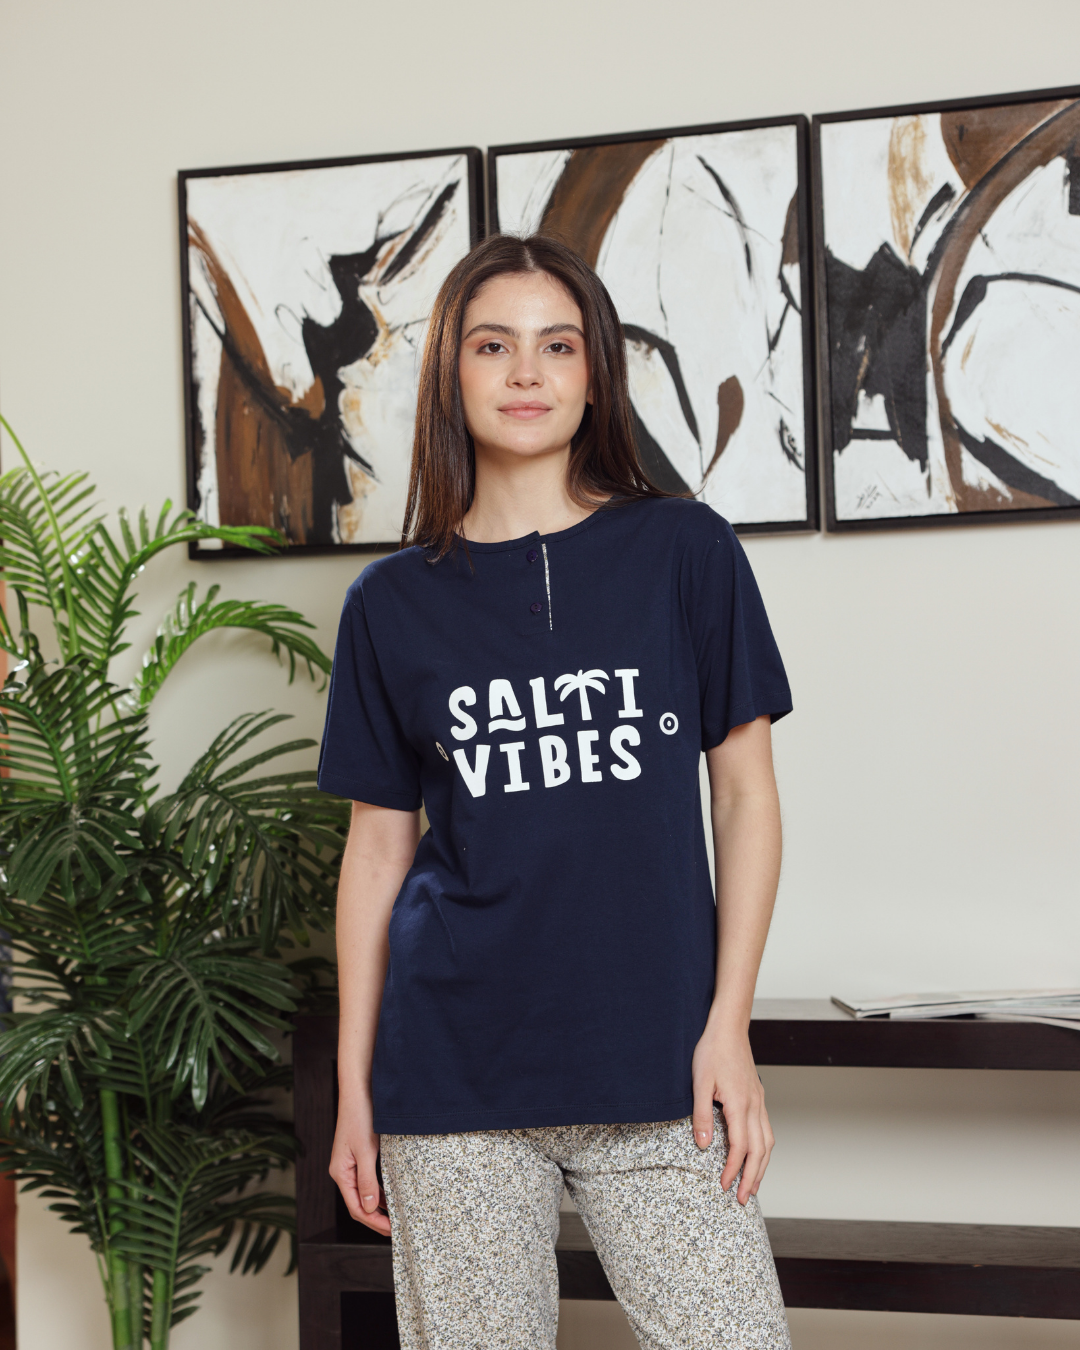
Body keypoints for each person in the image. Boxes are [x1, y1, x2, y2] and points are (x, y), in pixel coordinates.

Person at [318, 232, 793, 1350]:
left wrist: (729, 1028)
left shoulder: (686, 551)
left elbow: (745, 799)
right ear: (451, 372)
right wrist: (355, 1085)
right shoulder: (390, 602)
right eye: (494, 345)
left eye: (558, 345)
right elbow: (378, 851)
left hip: (663, 1060)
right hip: (453, 1071)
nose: (526, 372)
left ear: (594, 373)